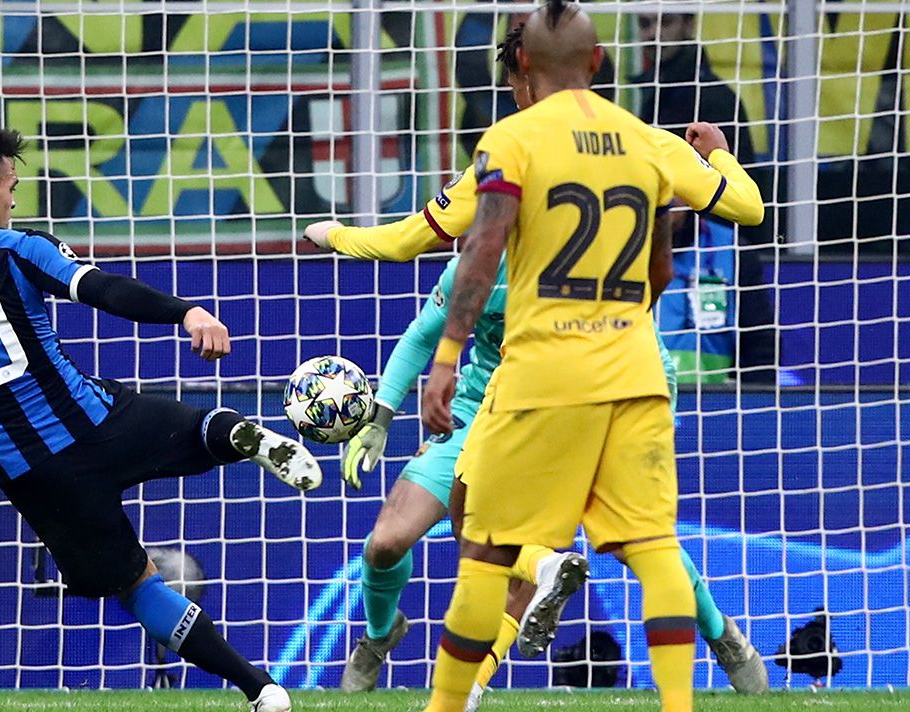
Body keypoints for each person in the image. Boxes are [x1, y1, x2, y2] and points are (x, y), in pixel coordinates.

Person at [305, 19, 767, 707]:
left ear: (519, 67)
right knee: (651, 545)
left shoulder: (513, 143)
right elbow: (743, 211)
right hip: (633, 369)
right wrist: (722, 157)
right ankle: (698, 672)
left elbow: (451, 245)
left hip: (542, 374)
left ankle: (457, 692)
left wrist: (340, 235)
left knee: (485, 542)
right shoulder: (648, 141)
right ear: (601, 59)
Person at [0, 126, 320, 712]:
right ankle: (239, 436)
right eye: (10, 188)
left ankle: (263, 691)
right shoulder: (17, 247)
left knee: (137, 587)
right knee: (199, 427)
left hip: (34, 476)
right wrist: (187, 312)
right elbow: (103, 289)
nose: (12, 200)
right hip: (92, 422)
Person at [632, 10, 775, 382]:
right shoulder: (648, 93)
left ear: (690, 24)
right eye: (645, 25)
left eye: (665, 23)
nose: (654, 35)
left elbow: (745, 188)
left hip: (712, 243)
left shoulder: (713, 100)